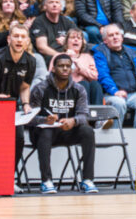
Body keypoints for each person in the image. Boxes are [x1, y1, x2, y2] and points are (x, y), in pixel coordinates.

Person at [29, 53, 99, 194]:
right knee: (46, 131)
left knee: (88, 131)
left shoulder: (79, 89)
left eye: (68, 66)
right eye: (61, 66)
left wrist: (73, 121)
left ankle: (87, 180)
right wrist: (44, 120)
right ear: (53, 69)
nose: (65, 69)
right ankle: (46, 181)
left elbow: (83, 115)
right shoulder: (40, 89)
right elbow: (29, 118)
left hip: (68, 131)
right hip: (43, 134)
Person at [0, 22, 36, 186]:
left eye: (23, 37)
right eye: (16, 36)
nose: (19, 40)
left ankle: (9, 178)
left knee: (18, 139)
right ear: (9, 39)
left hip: (12, 106)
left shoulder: (30, 61)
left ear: (27, 41)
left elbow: (25, 87)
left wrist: (26, 103)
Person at [93, 24, 136, 128]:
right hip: (110, 94)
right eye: (111, 35)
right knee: (119, 103)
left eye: (117, 34)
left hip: (133, 94)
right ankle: (115, 137)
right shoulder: (100, 53)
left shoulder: (131, 52)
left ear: (122, 37)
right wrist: (114, 91)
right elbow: (103, 75)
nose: (115, 37)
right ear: (105, 40)